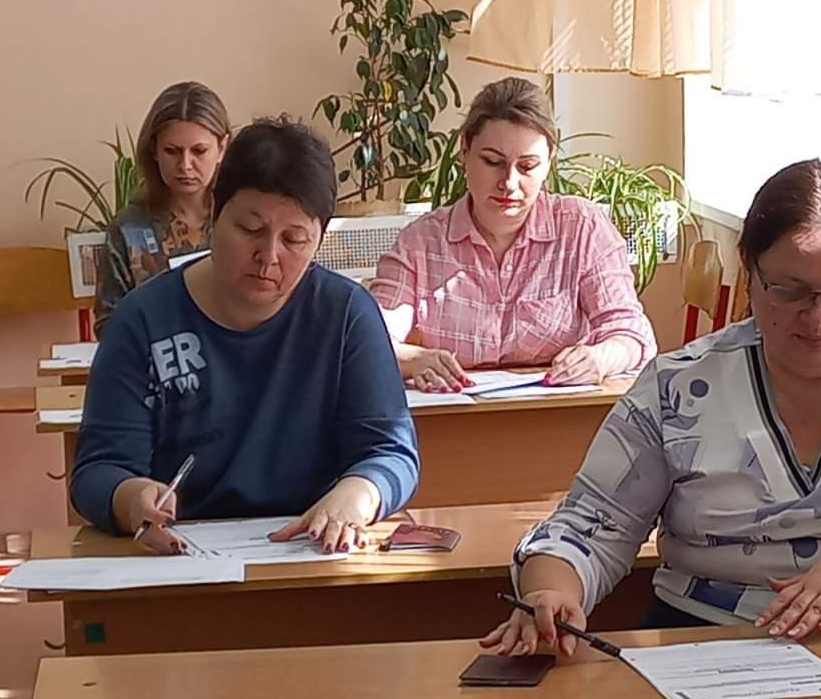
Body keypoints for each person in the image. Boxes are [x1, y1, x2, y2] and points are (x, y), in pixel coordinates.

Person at [482, 159, 821, 656]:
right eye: (791, 291)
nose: (820, 317)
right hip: (708, 637)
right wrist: (552, 591)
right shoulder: (678, 386)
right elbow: (589, 524)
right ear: (749, 272)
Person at [72, 116, 420, 556]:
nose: (268, 256)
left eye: (294, 239)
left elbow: (391, 451)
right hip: (179, 556)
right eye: (250, 230)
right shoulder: (142, 320)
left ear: (319, 240)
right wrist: (131, 498)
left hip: (309, 549)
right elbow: (98, 470)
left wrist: (358, 495)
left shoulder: (347, 314)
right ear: (215, 214)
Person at [369, 77, 657, 393]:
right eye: (492, 162)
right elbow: (370, 341)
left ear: (549, 162)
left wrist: (601, 358)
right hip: (456, 415)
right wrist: (414, 359)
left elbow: (632, 333)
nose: (508, 182)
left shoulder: (582, 228)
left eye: (528, 166)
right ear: (464, 152)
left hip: (559, 413)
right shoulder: (420, 242)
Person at [93, 80, 231, 337]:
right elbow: (108, 325)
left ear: (222, 148)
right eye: (172, 151)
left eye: (199, 151)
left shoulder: (242, 221)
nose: (185, 165)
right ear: (154, 150)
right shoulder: (129, 229)